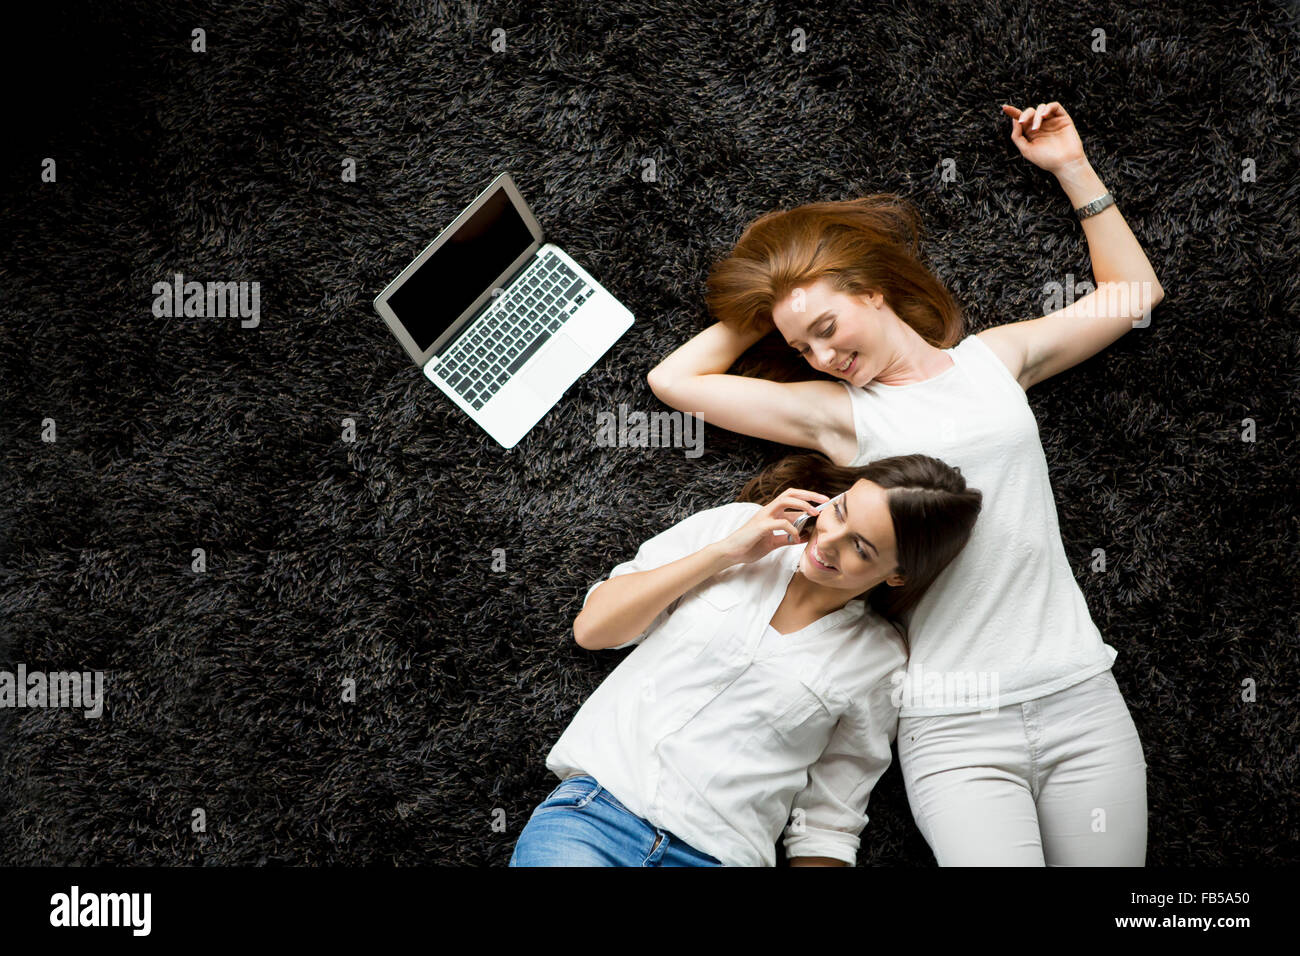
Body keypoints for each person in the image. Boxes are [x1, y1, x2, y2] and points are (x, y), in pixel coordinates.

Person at [644, 102, 1161, 865]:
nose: (819, 354)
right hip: (954, 723)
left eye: (828, 326)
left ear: (874, 291)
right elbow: (673, 380)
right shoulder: (839, 416)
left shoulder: (996, 360)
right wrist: (772, 308)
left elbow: (1135, 294)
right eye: (800, 346)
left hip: (1079, 692)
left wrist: (1071, 167)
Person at [509, 452, 981, 866]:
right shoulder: (735, 527)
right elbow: (594, 630)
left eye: (860, 548)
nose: (829, 539)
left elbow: (829, 818)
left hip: (720, 855)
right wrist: (724, 554)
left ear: (898, 576)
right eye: (838, 511)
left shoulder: (879, 660)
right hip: (593, 818)